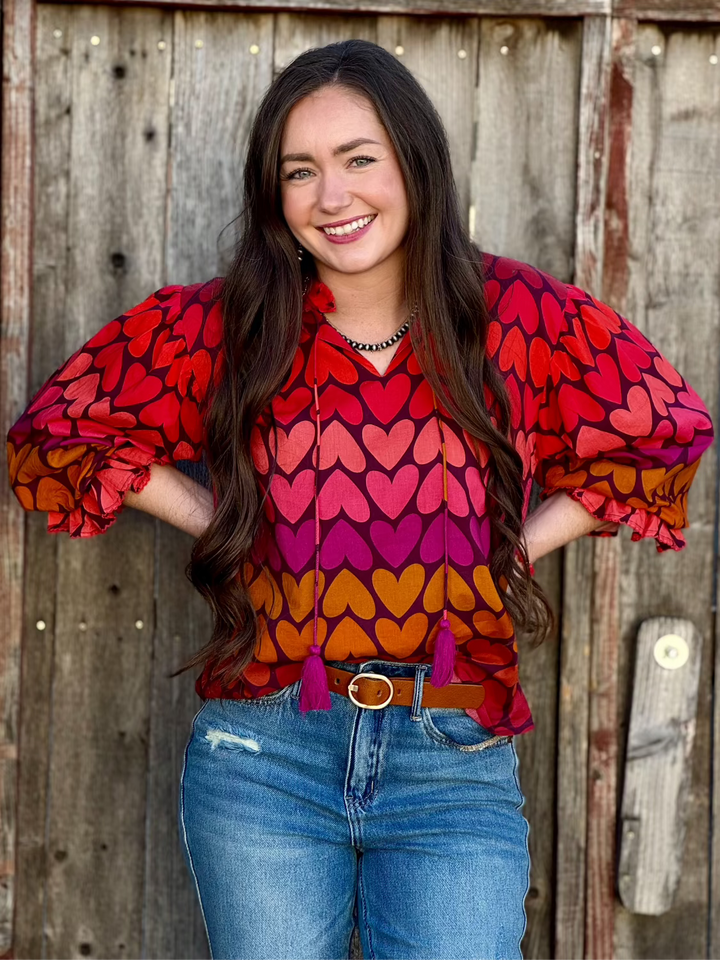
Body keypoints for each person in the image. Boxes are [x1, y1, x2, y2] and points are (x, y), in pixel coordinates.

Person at [6, 38, 714, 960]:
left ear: (414, 161)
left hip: (452, 761)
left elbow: (663, 431)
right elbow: (56, 435)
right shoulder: (230, 329)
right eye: (299, 171)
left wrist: (513, 549)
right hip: (265, 757)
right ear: (276, 195)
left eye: (358, 160)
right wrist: (220, 520)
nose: (331, 197)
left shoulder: (520, 320)